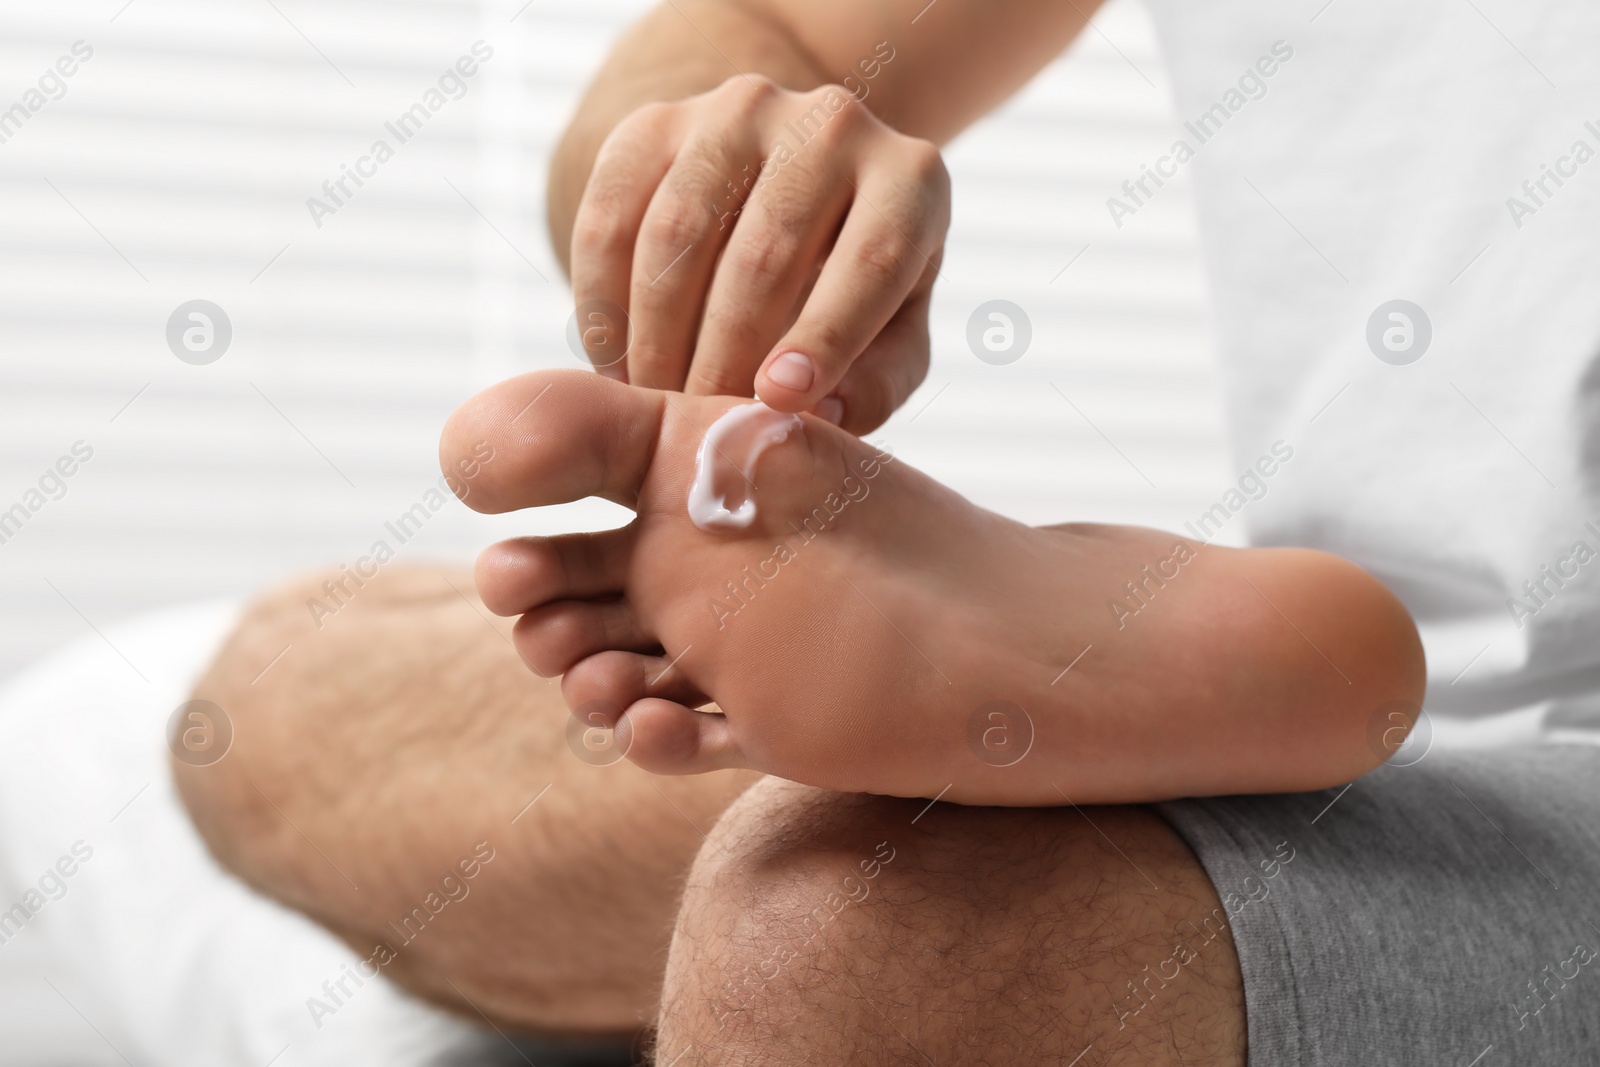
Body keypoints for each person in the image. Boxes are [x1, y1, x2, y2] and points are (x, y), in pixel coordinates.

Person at [182, 0, 1600, 1063]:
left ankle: (1162, 653)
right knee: (279, 715)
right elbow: (775, 22)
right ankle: (1156, 650)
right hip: (1408, 741)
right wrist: (724, 181)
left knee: (842, 938)